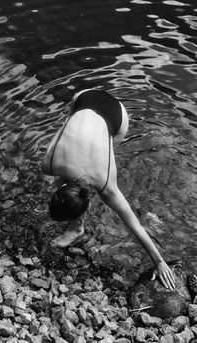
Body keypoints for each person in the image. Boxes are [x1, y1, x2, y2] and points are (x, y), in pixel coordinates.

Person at [42, 89, 176, 291]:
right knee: (83, 160)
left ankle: (77, 227)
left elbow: (133, 222)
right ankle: (77, 227)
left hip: (117, 117)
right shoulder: (49, 164)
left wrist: (159, 261)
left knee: (105, 149)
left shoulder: (106, 184)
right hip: (83, 97)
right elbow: (65, 128)